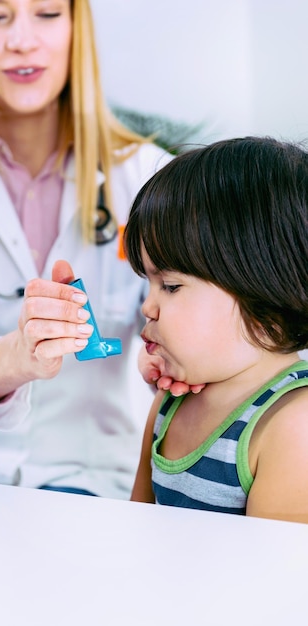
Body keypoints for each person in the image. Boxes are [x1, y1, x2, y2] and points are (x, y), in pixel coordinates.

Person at [0, 0, 200, 499]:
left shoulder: (149, 177)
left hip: (90, 478)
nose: (22, 40)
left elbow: (203, 331)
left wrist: (174, 362)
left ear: (77, 26)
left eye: (48, 14)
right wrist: (14, 357)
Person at [124, 136, 308, 523]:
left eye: (170, 286)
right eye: (149, 283)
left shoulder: (292, 426)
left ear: (262, 287)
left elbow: (272, 578)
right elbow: (135, 528)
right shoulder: (169, 403)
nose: (148, 306)